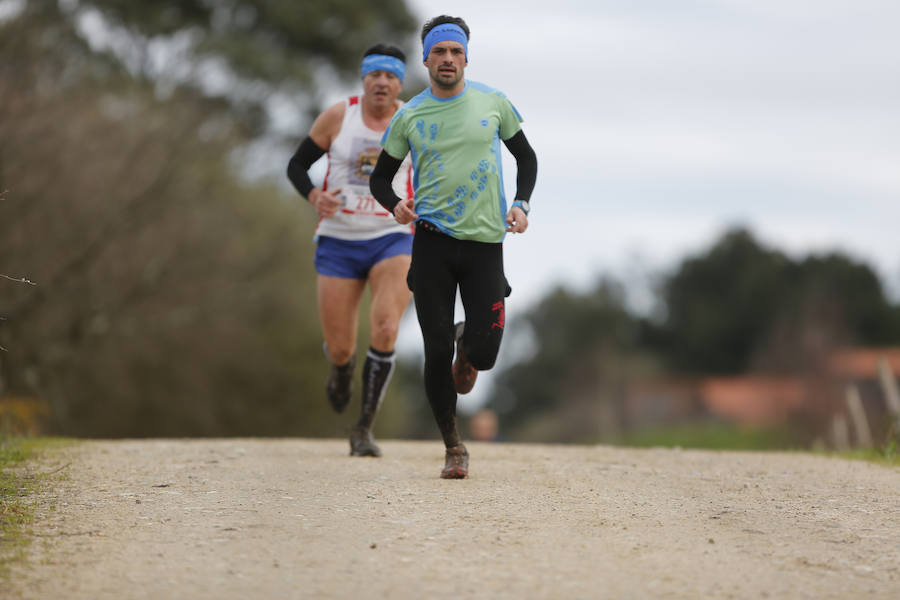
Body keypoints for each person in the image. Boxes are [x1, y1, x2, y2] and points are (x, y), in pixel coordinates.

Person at [369, 16, 537, 478]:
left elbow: (526, 156)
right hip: (432, 244)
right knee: (434, 348)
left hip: (485, 242)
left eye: (455, 52)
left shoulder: (493, 102)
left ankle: (470, 348)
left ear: (466, 58)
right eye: (439, 52)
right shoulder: (410, 116)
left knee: (483, 355)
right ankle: (453, 446)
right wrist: (396, 205)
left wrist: (521, 203)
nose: (447, 59)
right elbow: (380, 177)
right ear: (426, 59)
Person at [287, 44, 414, 458]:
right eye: (374, 75)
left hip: (392, 237)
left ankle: (363, 429)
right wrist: (312, 196)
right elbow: (296, 165)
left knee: (385, 328)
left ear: (399, 83)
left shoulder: (413, 119)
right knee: (341, 346)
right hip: (339, 240)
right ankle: (341, 371)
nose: (382, 82)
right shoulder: (340, 116)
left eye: (390, 76)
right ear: (364, 79)